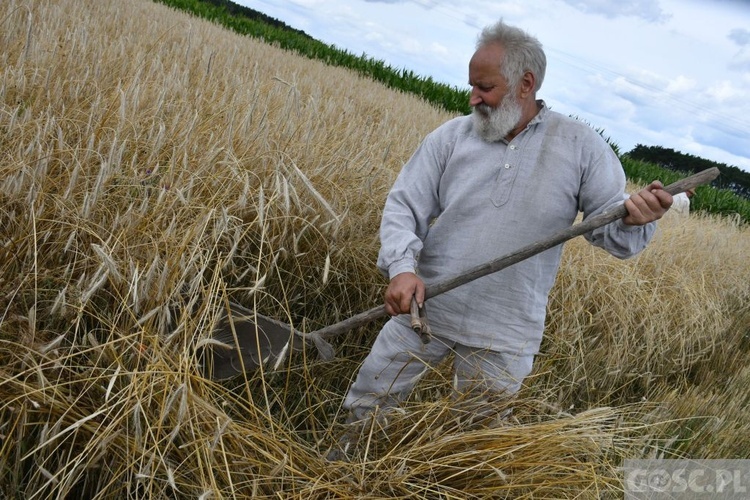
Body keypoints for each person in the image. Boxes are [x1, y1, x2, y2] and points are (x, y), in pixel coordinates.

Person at [328, 19, 674, 459]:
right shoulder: (451, 137)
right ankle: (337, 475)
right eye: (472, 86)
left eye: (485, 88)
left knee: (473, 445)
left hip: (506, 331)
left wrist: (633, 220)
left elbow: (617, 238)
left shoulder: (581, 147)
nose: (473, 97)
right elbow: (404, 207)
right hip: (425, 308)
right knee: (367, 404)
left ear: (525, 84)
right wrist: (402, 269)